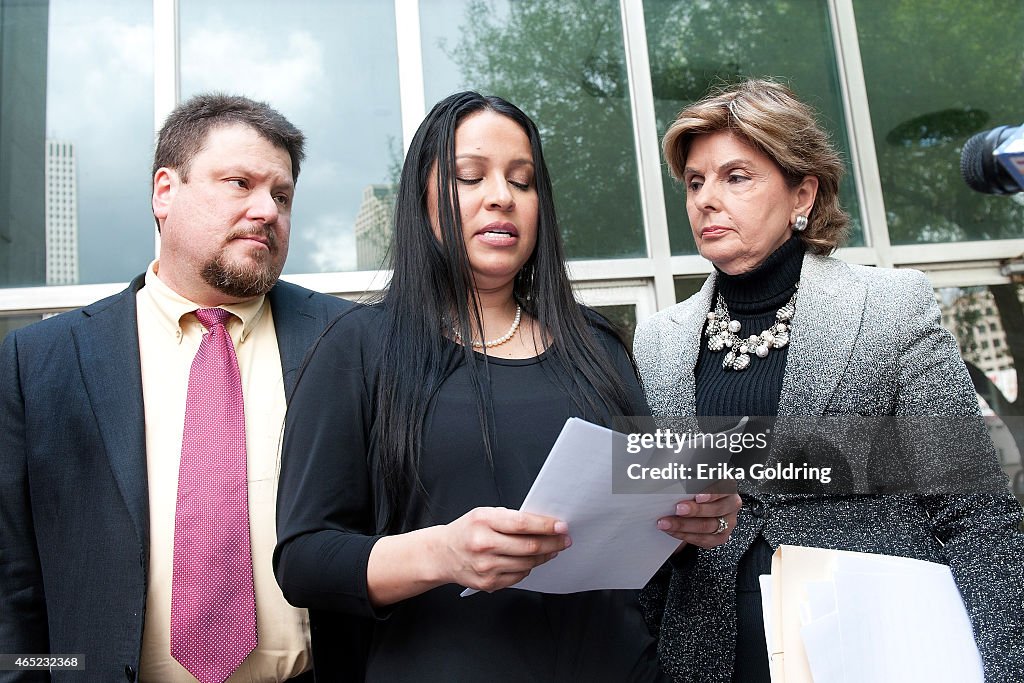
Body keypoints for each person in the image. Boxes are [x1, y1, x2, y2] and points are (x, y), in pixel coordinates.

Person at [273, 91, 741, 682]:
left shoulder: (596, 346)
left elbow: (637, 529)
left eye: (522, 182)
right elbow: (304, 559)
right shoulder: (358, 347)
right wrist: (440, 553)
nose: (502, 197)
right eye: (471, 177)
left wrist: (689, 523)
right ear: (422, 200)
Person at [633, 78, 1024, 682]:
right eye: (694, 181)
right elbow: (654, 528)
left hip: (866, 647)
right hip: (706, 657)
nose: (707, 198)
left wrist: (1006, 669)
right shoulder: (658, 341)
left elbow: (973, 513)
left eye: (736, 176)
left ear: (803, 194)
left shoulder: (892, 308)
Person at [0, 94, 354, 683]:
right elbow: (12, 583)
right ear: (165, 192)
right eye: (240, 182)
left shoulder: (348, 341)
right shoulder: (40, 362)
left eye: (282, 195)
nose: (267, 210)